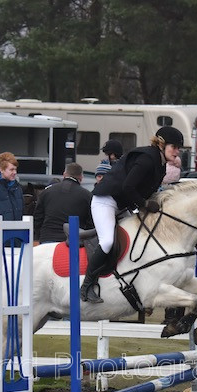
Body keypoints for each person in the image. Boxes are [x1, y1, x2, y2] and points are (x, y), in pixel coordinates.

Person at [81, 126, 184, 303]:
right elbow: (127, 187)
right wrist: (144, 204)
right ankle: (86, 286)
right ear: (162, 144)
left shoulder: (160, 165)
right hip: (105, 201)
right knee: (107, 241)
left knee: (140, 236)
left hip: (122, 204)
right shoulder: (147, 159)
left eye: (178, 148)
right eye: (174, 147)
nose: (177, 151)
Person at [33, 162, 93, 243]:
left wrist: (39, 235)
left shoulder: (47, 192)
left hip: (48, 238)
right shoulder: (87, 195)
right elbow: (91, 223)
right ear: (81, 177)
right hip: (72, 242)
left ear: (64, 174)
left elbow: (38, 218)